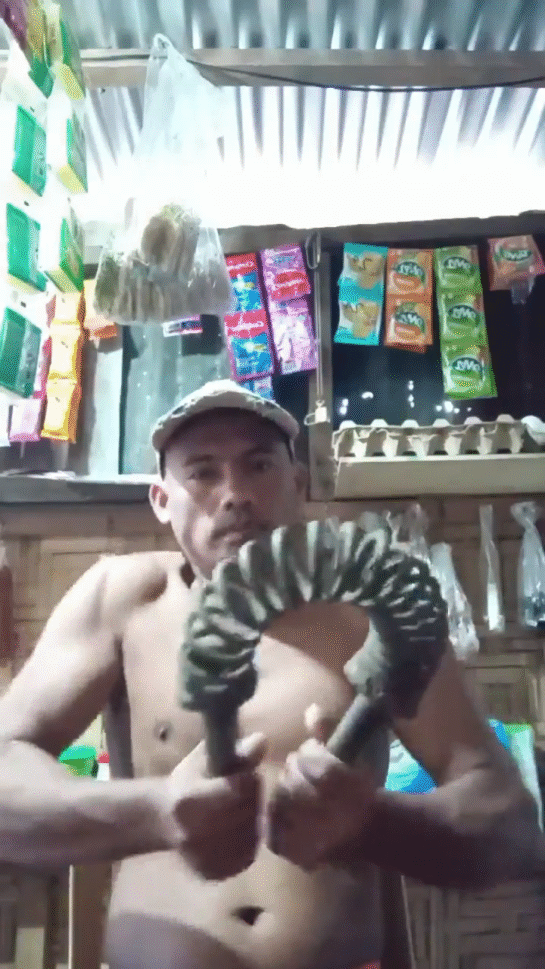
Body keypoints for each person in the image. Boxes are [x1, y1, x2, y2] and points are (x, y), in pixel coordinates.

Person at [0, 378, 542, 969]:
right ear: (161, 500)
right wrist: (155, 811)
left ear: (299, 485)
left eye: (258, 466)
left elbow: (512, 830)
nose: (235, 495)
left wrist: (373, 822)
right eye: (203, 473)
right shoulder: (122, 598)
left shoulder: (373, 616)